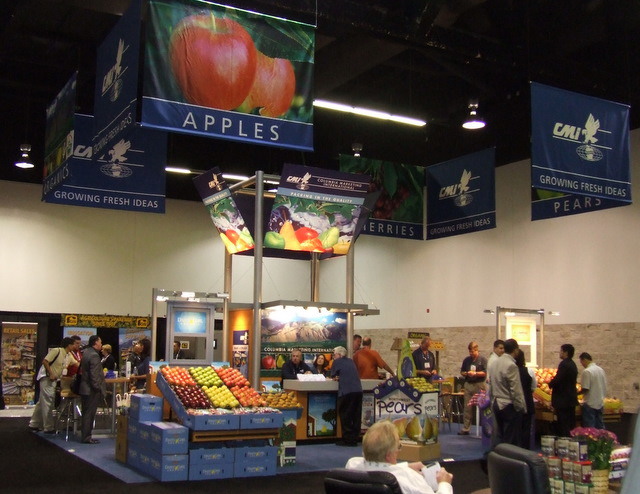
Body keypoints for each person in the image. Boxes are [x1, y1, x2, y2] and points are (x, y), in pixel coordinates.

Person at [345, 420, 454, 494]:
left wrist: (405, 466)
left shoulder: (352, 467)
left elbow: (377, 466)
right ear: (389, 455)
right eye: (398, 446)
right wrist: (444, 483)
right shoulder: (409, 478)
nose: (398, 450)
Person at [29, 337, 75, 433]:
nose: (76, 346)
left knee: (42, 402)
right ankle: (48, 427)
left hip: (53, 380)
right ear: (69, 345)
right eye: (74, 344)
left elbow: (76, 363)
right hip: (47, 378)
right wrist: (51, 373)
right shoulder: (56, 350)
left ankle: (34, 423)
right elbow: (45, 361)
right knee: (48, 402)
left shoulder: (68, 355)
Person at [489, 338, 526, 447]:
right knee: (510, 440)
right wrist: (520, 407)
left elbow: (491, 384)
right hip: (508, 405)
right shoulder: (511, 365)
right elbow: (516, 390)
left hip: (496, 403)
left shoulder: (495, 363)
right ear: (516, 350)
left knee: (499, 437)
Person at [331, 346, 363, 446]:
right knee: (356, 416)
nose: (333, 357)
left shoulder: (337, 362)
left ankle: (348, 440)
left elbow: (333, 375)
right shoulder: (351, 361)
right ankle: (355, 438)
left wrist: (336, 377)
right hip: (358, 391)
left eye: (334, 355)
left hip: (347, 392)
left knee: (346, 415)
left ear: (339, 355)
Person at [79, 335, 106, 444]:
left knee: (86, 413)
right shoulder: (94, 355)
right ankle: (87, 437)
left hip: (85, 388)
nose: (101, 344)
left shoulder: (86, 352)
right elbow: (94, 375)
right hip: (91, 390)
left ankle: (85, 435)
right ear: (95, 343)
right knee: (89, 414)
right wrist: (98, 388)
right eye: (100, 342)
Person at [549, 343, 578, 437]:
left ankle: (564, 441)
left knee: (563, 423)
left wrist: (550, 384)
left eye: (561, 351)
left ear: (566, 352)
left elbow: (558, 379)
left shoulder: (564, 364)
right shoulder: (573, 364)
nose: (560, 353)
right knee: (570, 424)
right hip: (570, 399)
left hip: (563, 400)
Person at [458, 341, 487, 435]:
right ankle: (466, 428)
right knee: (467, 407)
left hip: (479, 385)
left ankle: (486, 428)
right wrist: (466, 373)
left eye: (472, 351)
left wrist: (475, 373)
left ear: (476, 350)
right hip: (469, 384)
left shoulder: (483, 360)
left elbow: (485, 372)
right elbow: (462, 372)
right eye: (470, 351)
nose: (471, 353)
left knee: (483, 407)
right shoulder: (467, 360)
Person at [514, 348, 536, 449]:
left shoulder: (511, 371)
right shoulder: (530, 371)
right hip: (527, 402)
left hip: (515, 403)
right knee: (526, 429)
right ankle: (525, 449)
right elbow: (533, 387)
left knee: (515, 429)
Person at [579, 352, 607, 429]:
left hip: (590, 403)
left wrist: (576, 394)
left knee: (590, 429)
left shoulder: (587, 371)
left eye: (581, 362)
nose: (582, 365)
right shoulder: (601, 370)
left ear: (584, 360)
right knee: (600, 427)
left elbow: (585, 388)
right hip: (600, 402)